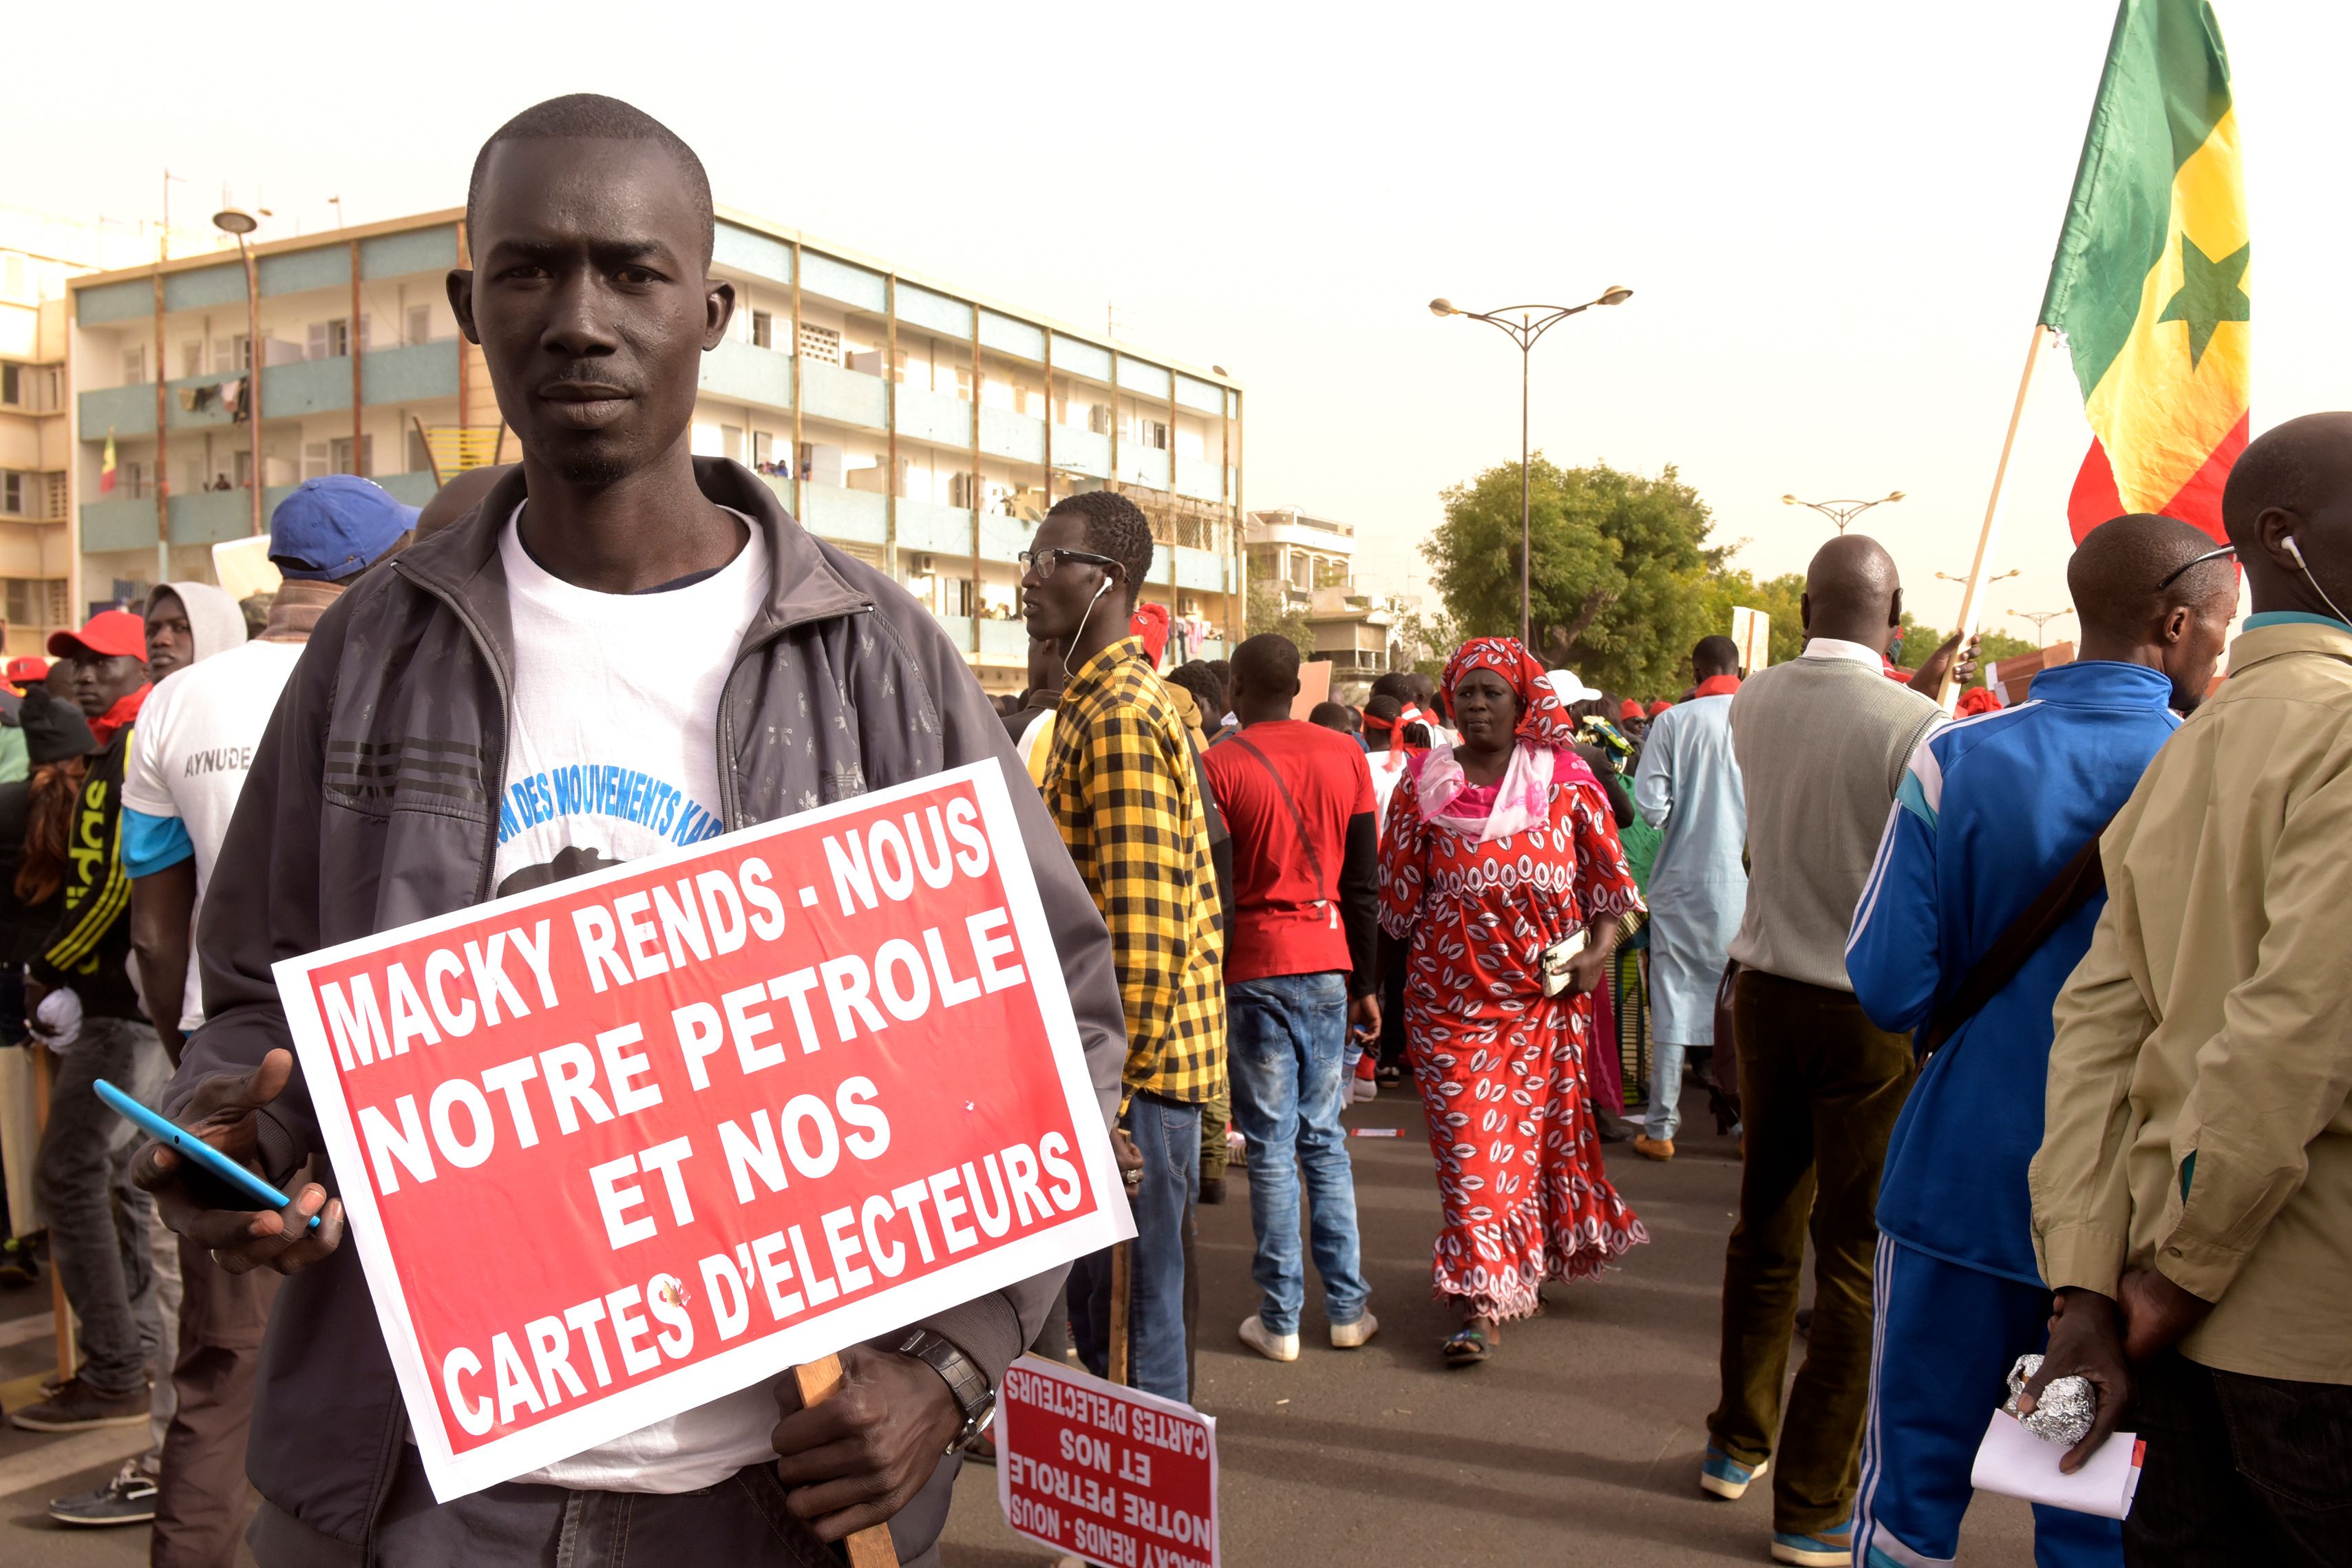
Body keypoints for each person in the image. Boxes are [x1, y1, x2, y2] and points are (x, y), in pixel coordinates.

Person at [135, 95, 1125, 1568]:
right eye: (530, 270)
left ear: (710, 310)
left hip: (774, 1501)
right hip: (420, 1489)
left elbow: (1062, 1031)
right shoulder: (368, 651)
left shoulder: (877, 655)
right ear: (473, 304)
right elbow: (256, 1005)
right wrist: (233, 1154)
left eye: (630, 273)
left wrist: (952, 1369)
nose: (579, 319)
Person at [1844, 514, 2234, 1568]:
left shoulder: (1957, 755)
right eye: (2222, 632)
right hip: (2123, 1226)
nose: (2221, 653)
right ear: (2175, 620)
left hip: (1960, 1186)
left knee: (1910, 1487)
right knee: (2083, 1499)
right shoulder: (2218, 775)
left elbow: (1884, 982)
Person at [2030, 415, 2352, 1561]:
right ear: (2282, 537)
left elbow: (2096, 1038)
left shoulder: (2189, 749)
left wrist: (2083, 1291)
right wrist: (2176, 1279)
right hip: (2302, 1330)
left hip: (2157, 1326)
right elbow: (2290, 1041)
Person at [81, 479, 410, 1551]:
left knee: (219, 1370)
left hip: (233, 1078)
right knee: (402, 1370)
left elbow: (157, 927)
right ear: (384, 563)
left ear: (279, 571)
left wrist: (198, 1062)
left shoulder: (178, 701)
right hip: (389, 1071)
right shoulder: (397, 671)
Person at [1703, 535, 1945, 1568]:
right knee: (1850, 1257)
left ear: (1805, 605)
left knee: (1764, 1226)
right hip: (1866, 1009)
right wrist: (1923, 701)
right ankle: (1811, 1503)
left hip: (1765, 990)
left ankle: (1734, 1442)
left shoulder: (1750, 700)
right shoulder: (1920, 726)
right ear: (1896, 617)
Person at [1378, 637, 1646, 1366]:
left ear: (1523, 702)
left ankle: (1517, 1263)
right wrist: (1370, 1000)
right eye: (1465, 692)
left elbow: (1618, 897)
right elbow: (1397, 907)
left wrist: (1597, 953)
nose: (1476, 704)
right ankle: (1478, 1304)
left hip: (1541, 1011)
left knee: (1523, 1156)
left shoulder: (1569, 782)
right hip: (1448, 1009)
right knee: (1473, 1156)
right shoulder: (1421, 786)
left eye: (1492, 692)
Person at [1023, 487, 1225, 1405]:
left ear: (1105, 580)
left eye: (1047, 559)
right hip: (1116, 1076)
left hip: (1135, 1084)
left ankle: (1148, 1543)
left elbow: (1142, 938)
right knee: (1112, 1312)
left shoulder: (1119, 717)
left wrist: (1109, 1098)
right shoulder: (1090, 706)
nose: (1029, 580)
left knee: (1136, 1323)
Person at [1203, 634, 1379, 1362]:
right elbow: (1365, 881)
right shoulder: (1346, 754)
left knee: (1271, 1148)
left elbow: (1212, 882)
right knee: (1325, 1141)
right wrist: (1368, 983)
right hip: (1330, 962)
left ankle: (1279, 1320)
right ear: (1298, 688)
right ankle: (1347, 1309)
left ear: (1238, 686)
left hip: (1253, 968)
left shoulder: (1219, 765)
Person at [10, 609, 165, 1435]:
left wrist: (50, 968)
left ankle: (115, 1366)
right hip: (120, 1003)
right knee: (114, 1181)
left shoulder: (138, 743)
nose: (89, 675)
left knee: (71, 1176)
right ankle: (132, 1354)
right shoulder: (109, 747)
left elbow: (117, 883)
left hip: (122, 1007)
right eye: (80, 662)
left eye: (106, 661)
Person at [1630, 635, 1747, 1161]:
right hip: (1747, 885)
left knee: (1673, 1002)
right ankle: (1748, 1126)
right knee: (1741, 1006)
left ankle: (1660, 1130)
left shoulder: (1673, 723)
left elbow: (1648, 807)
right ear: (1737, 666)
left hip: (1680, 882)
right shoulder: (1762, 717)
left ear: (1694, 669)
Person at [141, 581, 247, 686]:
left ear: (220, 636)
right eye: (152, 631)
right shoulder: (155, 702)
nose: (159, 640)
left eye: (181, 627)